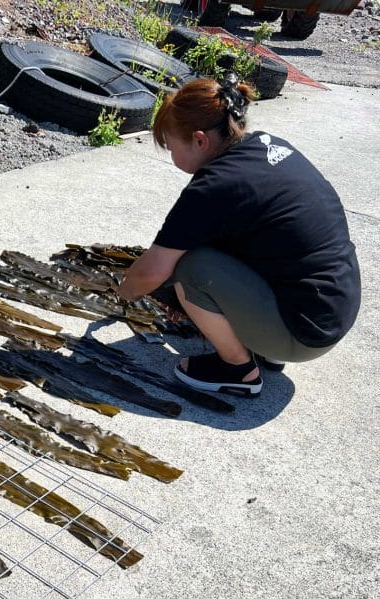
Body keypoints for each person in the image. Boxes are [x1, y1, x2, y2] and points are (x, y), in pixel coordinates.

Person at [116, 75, 361, 397]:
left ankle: (237, 370)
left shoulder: (214, 187)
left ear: (200, 140)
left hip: (304, 333)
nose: (172, 156)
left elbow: (152, 272)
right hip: (332, 308)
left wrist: (123, 293)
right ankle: (263, 345)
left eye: (171, 146)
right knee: (228, 246)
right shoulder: (267, 146)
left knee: (193, 267)